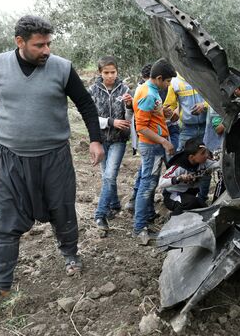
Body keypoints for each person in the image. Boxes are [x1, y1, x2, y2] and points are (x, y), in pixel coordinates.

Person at [0, 15, 104, 303]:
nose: (46, 50)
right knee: (5, 219)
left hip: (55, 158)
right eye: (39, 45)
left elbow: (85, 103)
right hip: (10, 160)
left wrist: (95, 139)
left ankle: (71, 255)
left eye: (49, 43)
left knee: (63, 210)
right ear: (19, 42)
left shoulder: (62, 68)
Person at [132, 58, 176, 245]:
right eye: (167, 81)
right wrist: (164, 142)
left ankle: (146, 219)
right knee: (147, 185)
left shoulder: (152, 91)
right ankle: (139, 227)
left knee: (147, 181)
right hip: (152, 147)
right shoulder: (149, 94)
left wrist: (162, 113)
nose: (168, 85)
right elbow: (141, 127)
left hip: (154, 144)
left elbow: (151, 117)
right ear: (159, 78)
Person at [88, 56, 132, 236]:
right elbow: (89, 117)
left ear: (117, 72)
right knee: (108, 177)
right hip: (100, 140)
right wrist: (110, 122)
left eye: (113, 72)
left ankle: (100, 215)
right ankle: (114, 205)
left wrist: (130, 106)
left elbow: (129, 119)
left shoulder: (125, 89)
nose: (110, 76)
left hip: (118, 141)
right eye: (106, 72)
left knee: (109, 176)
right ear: (100, 72)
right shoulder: (93, 90)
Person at [159, 137, 218, 216]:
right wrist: (178, 178)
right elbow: (161, 182)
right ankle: (173, 218)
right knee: (193, 202)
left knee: (202, 205)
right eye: (203, 153)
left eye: (206, 152)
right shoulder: (178, 167)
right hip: (172, 196)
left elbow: (217, 165)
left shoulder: (204, 162)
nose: (206, 155)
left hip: (188, 195)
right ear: (191, 157)